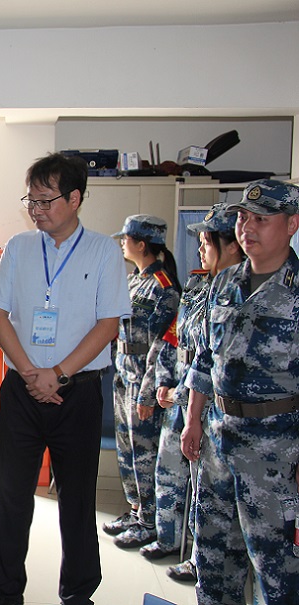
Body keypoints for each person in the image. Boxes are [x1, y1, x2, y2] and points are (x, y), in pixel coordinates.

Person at [0, 153, 130, 605]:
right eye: (31, 200)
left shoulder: (104, 251)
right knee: (10, 498)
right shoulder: (19, 247)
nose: (36, 209)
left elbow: (108, 324)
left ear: (75, 198)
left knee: (77, 501)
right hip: (23, 393)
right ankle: (5, 594)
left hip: (78, 394)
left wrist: (58, 375)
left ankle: (78, 594)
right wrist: (32, 374)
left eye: (45, 200)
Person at [181, 179, 299, 604]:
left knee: (277, 571)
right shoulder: (225, 281)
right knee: (213, 562)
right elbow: (205, 357)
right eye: (243, 218)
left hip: (276, 453)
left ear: (291, 224)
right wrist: (193, 419)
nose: (247, 228)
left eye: (261, 219)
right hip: (218, 440)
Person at [147, 204, 245, 579]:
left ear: (232, 245)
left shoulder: (246, 293)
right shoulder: (199, 286)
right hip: (187, 394)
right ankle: (184, 547)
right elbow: (178, 340)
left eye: (207, 242)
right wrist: (167, 383)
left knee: (209, 487)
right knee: (180, 475)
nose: (201, 249)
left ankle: (203, 558)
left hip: (218, 405)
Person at [105, 215, 181, 550]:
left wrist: (148, 393)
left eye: (126, 239)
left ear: (141, 243)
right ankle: (136, 510)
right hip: (124, 375)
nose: (122, 244)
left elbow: (164, 348)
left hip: (143, 382)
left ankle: (150, 521)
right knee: (127, 449)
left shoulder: (164, 287)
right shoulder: (134, 281)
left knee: (144, 452)